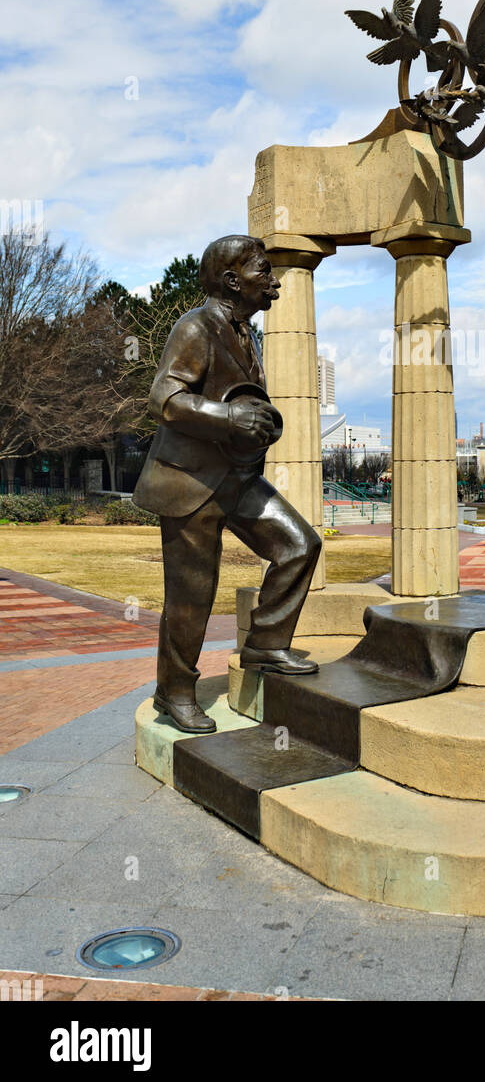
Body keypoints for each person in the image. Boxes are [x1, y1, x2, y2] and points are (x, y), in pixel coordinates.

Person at [133, 234, 322, 734]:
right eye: (264, 270)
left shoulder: (246, 333)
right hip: (189, 483)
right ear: (233, 280)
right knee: (192, 594)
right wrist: (229, 418)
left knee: (299, 544)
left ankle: (264, 645)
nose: (275, 280)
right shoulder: (195, 327)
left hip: (236, 479)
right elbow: (164, 401)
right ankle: (174, 691)